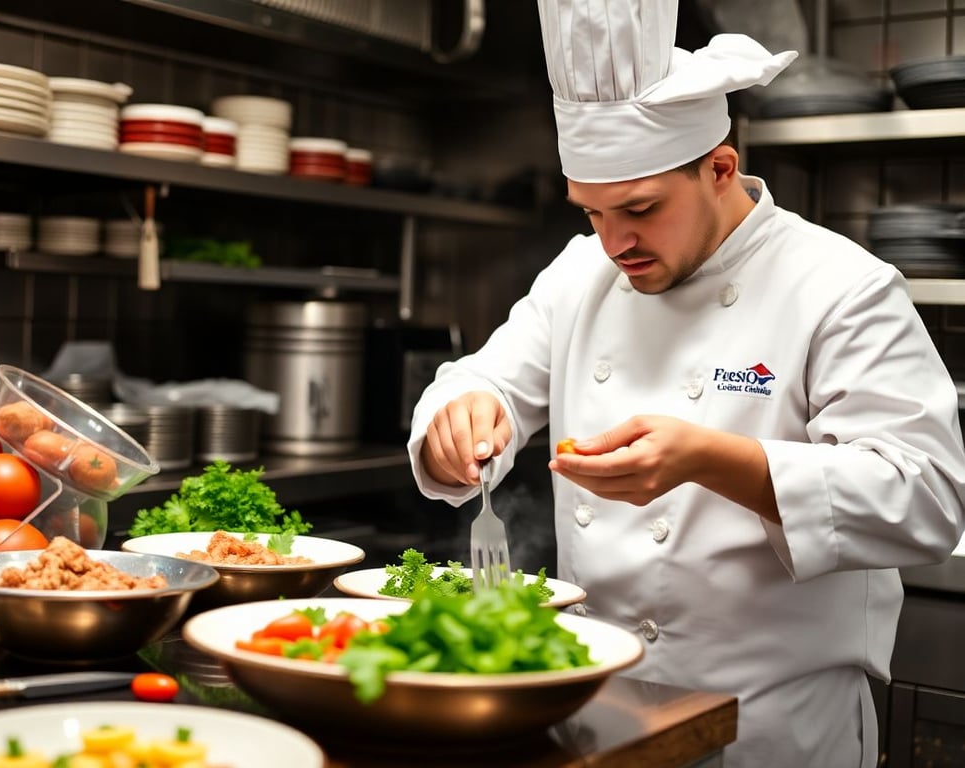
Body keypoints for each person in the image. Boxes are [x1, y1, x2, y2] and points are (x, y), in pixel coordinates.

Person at [406, 1, 965, 766]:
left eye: (640, 209)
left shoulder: (841, 286)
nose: (615, 242)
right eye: (592, 211)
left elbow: (925, 498)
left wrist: (709, 458)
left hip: (773, 729)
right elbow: (485, 383)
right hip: (597, 715)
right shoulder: (581, 272)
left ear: (721, 168)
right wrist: (459, 420)